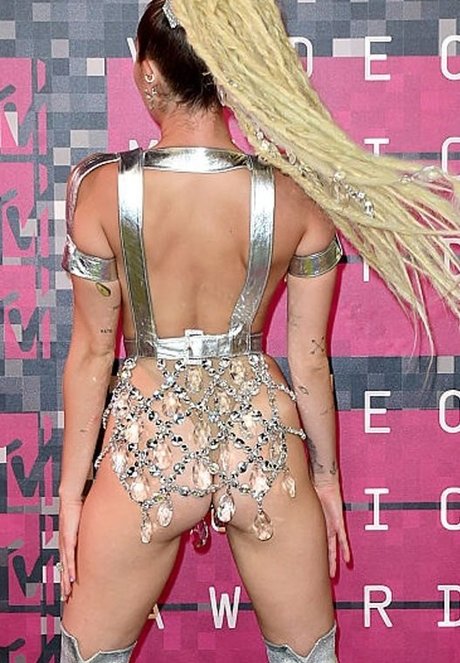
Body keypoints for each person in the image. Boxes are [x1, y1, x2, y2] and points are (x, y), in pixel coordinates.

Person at [57, 1, 460, 662]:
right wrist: (326, 480)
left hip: (148, 452)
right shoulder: (296, 196)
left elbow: (93, 354)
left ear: (149, 71)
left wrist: (71, 494)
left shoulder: (100, 191)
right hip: (262, 447)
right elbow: (309, 359)